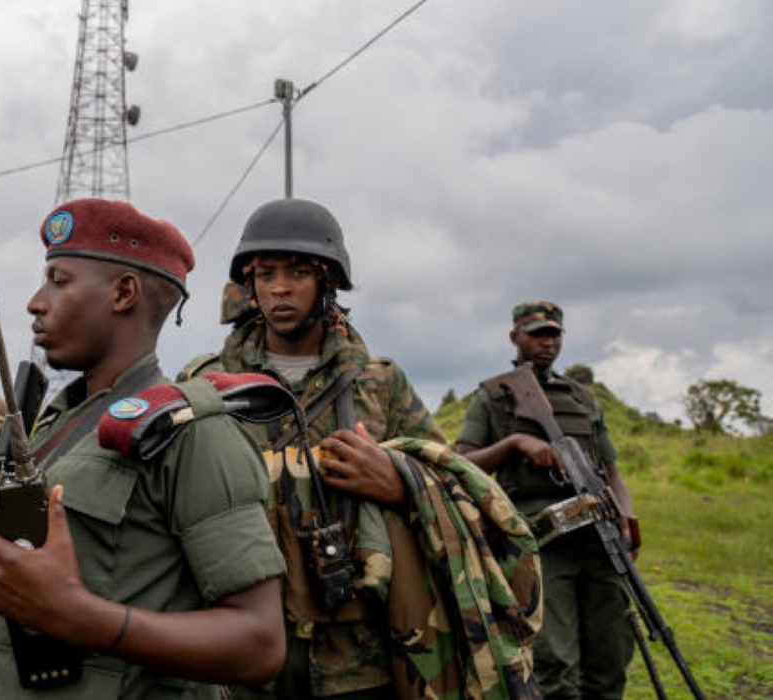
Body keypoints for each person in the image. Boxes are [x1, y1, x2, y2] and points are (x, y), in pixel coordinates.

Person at [0, 198, 287, 700]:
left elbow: (259, 643)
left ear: (124, 293)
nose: (35, 302)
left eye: (58, 281)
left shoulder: (190, 433)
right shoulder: (58, 424)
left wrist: (85, 618)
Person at [180, 197, 448, 700]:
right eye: (267, 274)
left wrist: (398, 483)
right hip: (243, 649)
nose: (279, 287)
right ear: (249, 285)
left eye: (298, 272)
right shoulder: (207, 385)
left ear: (328, 282)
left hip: (358, 658)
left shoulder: (380, 383)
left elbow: (448, 492)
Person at [456, 300, 638, 700]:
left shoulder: (583, 399)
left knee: (610, 655)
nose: (546, 342)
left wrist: (627, 516)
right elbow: (460, 463)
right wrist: (514, 443)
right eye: (536, 333)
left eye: (553, 334)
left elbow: (611, 471)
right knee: (555, 661)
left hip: (598, 540)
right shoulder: (495, 396)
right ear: (514, 337)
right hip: (540, 543)